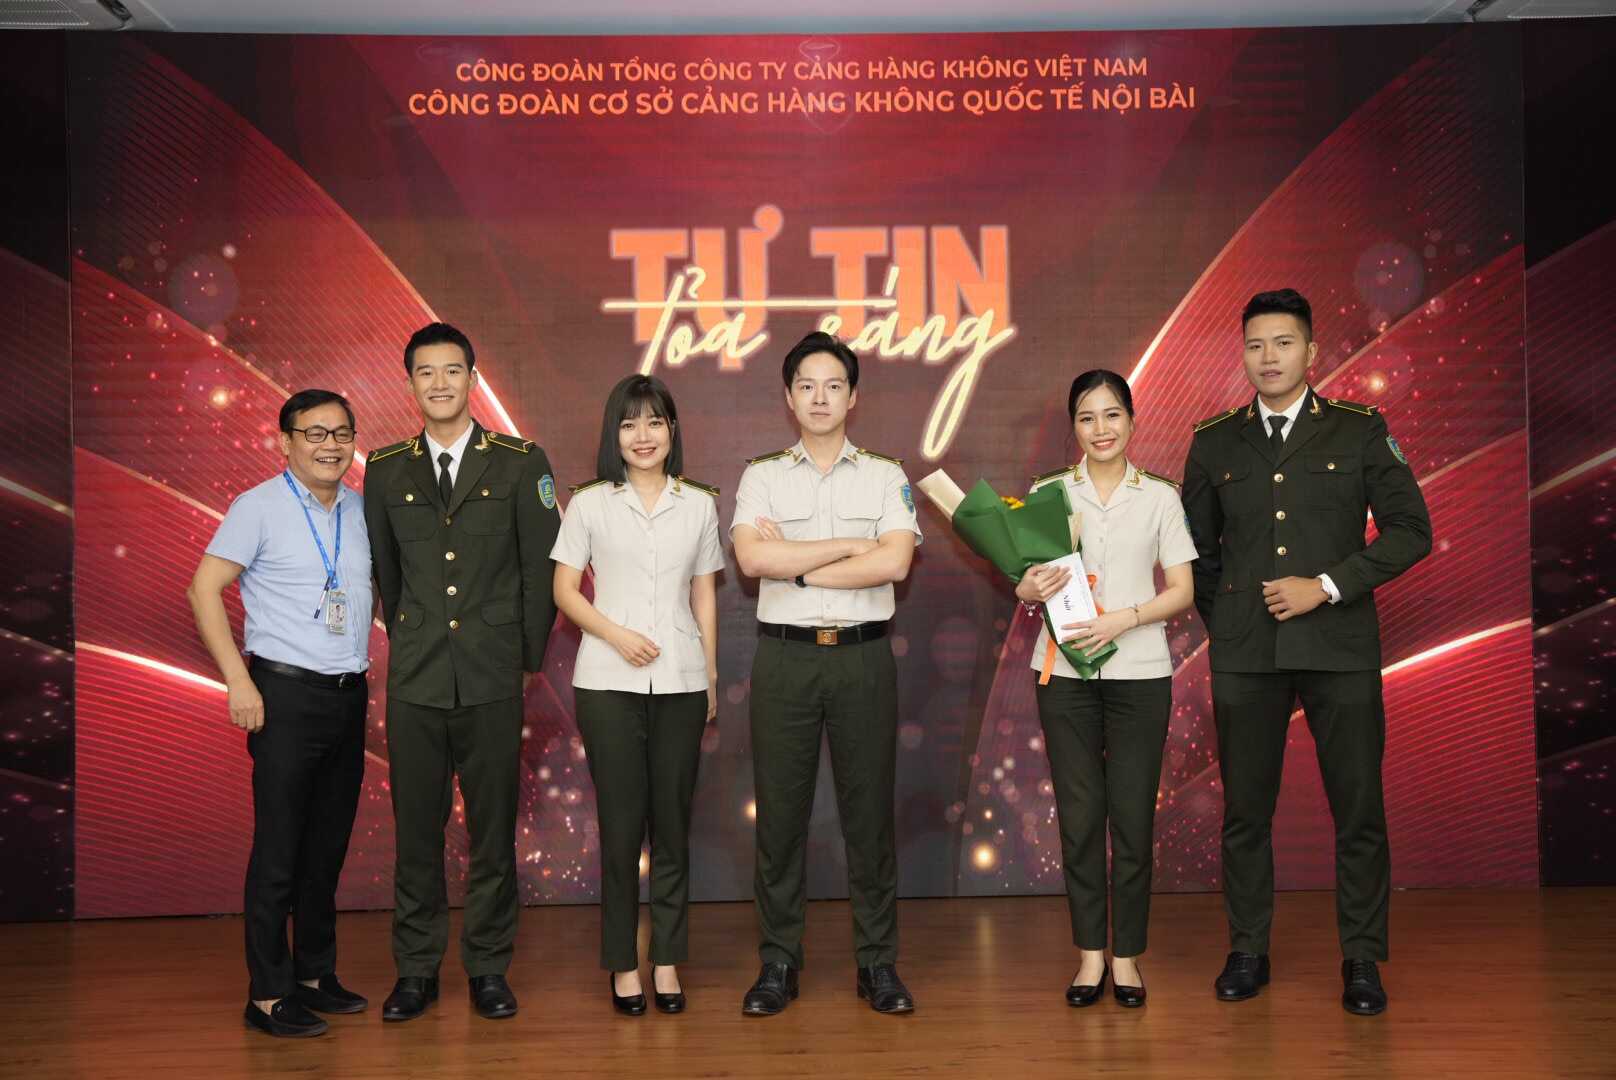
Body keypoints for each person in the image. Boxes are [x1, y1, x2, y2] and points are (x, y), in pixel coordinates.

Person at [1181, 288, 1432, 1016]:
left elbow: (1411, 531)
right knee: (1245, 811)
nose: (1269, 357)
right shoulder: (1215, 441)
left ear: (1312, 352)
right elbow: (1196, 553)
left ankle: (1362, 957)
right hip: (1246, 654)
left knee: (1358, 809)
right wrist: (1231, 621)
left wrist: (1326, 586)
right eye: (1256, 344)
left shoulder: (1359, 429)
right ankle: (1247, 948)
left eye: (1283, 343)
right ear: (1243, 353)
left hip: (1340, 646)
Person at [363, 322, 561, 1022]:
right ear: (410, 384)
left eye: (452, 371)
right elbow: (386, 573)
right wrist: (412, 641)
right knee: (416, 836)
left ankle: (487, 967)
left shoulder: (519, 462)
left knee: (492, 834)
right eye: (426, 372)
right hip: (416, 680)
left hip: (491, 676)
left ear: (473, 380)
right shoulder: (386, 467)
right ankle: (416, 971)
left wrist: (523, 661)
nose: (440, 383)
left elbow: (540, 571)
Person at [730, 330, 922, 1017]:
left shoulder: (885, 473)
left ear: (852, 397)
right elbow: (754, 560)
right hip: (785, 658)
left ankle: (877, 963)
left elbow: (894, 562)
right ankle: (778, 961)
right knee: (780, 817)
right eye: (806, 386)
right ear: (789, 397)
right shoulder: (762, 476)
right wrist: (846, 547)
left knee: (869, 816)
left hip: (863, 658)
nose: (820, 397)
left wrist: (801, 564)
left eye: (833, 385)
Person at [188, 388, 372, 1038]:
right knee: (279, 850)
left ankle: (315, 974)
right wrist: (239, 682)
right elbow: (203, 589)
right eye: (314, 433)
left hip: (349, 692)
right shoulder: (258, 506)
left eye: (341, 433)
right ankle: (267, 994)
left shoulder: (361, 508)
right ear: (285, 441)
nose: (330, 446)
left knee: (327, 846)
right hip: (283, 696)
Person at [1015, 370, 1196, 1008]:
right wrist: (1026, 587)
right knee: (1081, 819)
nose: (1101, 429)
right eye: (1087, 417)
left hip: (1139, 672)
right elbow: (1025, 580)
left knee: (1133, 818)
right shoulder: (1048, 493)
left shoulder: (1161, 497)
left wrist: (1125, 618)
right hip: (1065, 675)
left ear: (1132, 421)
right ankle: (1090, 955)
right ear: (1074, 427)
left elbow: (1183, 590)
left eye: (1112, 414)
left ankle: (1127, 958)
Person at [551, 374, 723, 1016]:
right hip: (607, 683)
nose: (642, 435)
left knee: (673, 828)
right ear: (613, 435)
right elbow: (564, 591)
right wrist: (617, 635)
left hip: (681, 682)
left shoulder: (698, 504)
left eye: (654, 422)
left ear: (672, 430)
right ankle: (623, 964)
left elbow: (704, 593)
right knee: (622, 830)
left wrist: (709, 675)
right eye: (629, 424)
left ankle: (668, 960)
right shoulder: (589, 504)